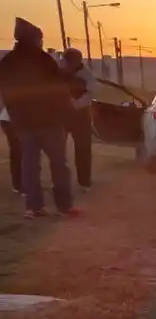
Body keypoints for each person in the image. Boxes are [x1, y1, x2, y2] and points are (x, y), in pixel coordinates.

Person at [0, 18, 79, 218]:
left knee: (30, 165)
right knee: (59, 164)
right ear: (34, 38)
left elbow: (5, 93)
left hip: (23, 123)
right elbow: (58, 89)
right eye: (40, 38)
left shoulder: (7, 62)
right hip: (48, 122)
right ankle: (64, 206)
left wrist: (16, 116)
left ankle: (33, 207)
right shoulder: (44, 60)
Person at [59, 48, 96, 191]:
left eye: (72, 61)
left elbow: (89, 95)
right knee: (57, 149)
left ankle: (84, 182)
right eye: (67, 61)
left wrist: (74, 104)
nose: (69, 64)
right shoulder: (59, 71)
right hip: (61, 114)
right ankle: (60, 180)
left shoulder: (87, 75)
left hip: (80, 115)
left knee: (83, 149)